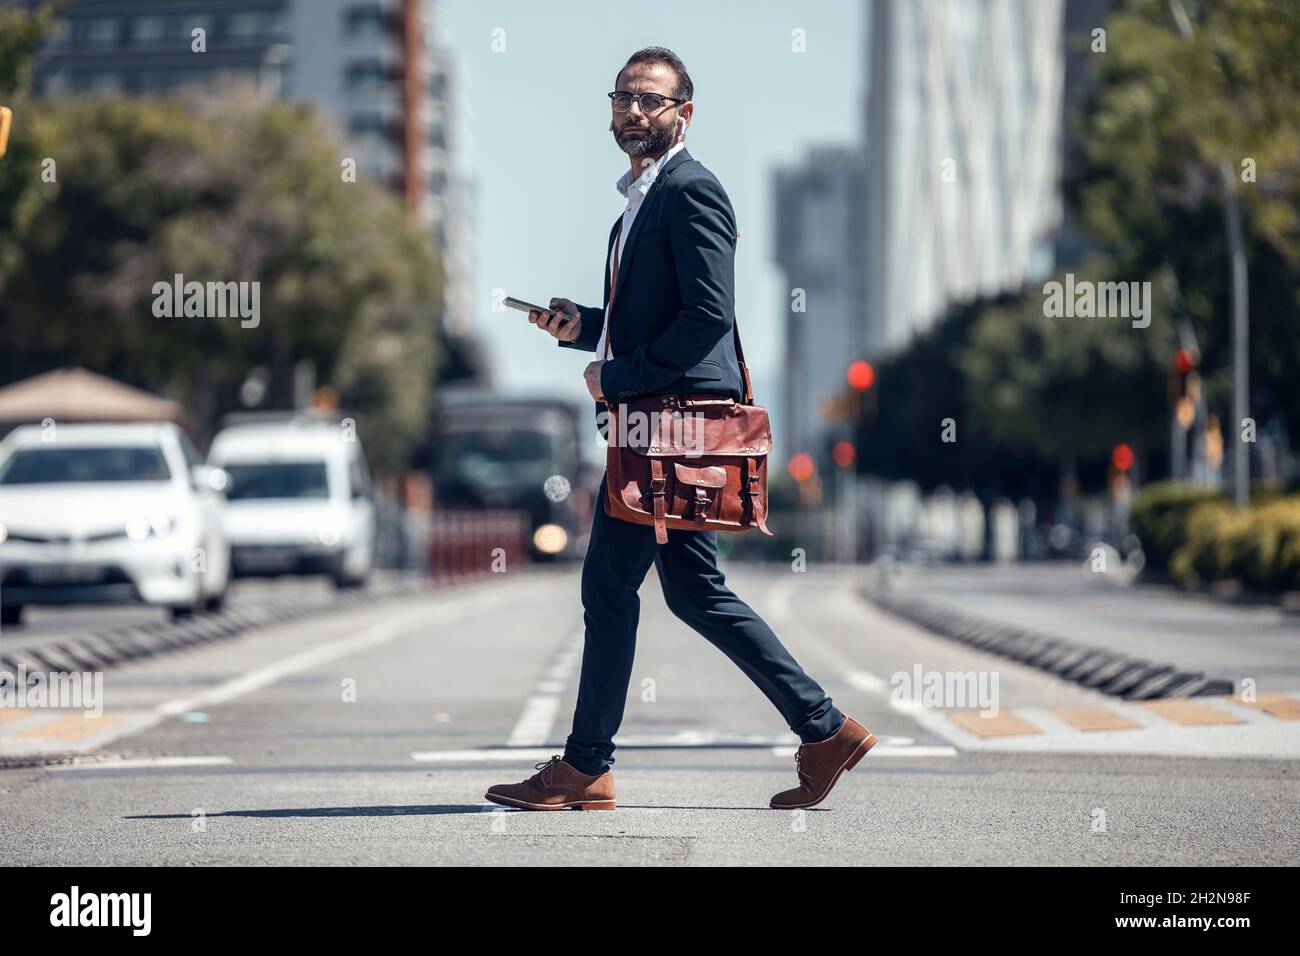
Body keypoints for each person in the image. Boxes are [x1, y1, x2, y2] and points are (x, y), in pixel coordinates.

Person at [485, 47, 876, 813]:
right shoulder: (636, 204)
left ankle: (589, 766)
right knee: (683, 589)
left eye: (650, 100)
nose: (633, 110)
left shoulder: (693, 191)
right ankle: (821, 729)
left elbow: (706, 318)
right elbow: (652, 319)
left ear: (683, 116)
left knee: (620, 585)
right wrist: (582, 330)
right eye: (623, 97)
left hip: (675, 430)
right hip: (654, 427)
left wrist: (616, 375)